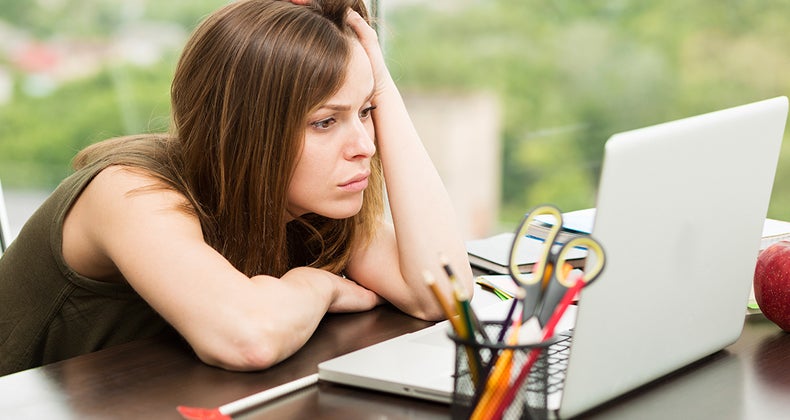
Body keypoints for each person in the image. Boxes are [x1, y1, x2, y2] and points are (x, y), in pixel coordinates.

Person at [0, 0, 473, 376]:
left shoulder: (309, 202)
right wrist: (317, 286)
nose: (365, 147)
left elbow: (443, 293)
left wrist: (382, 86)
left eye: (365, 112)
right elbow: (248, 338)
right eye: (326, 121)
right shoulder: (128, 190)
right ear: (245, 130)